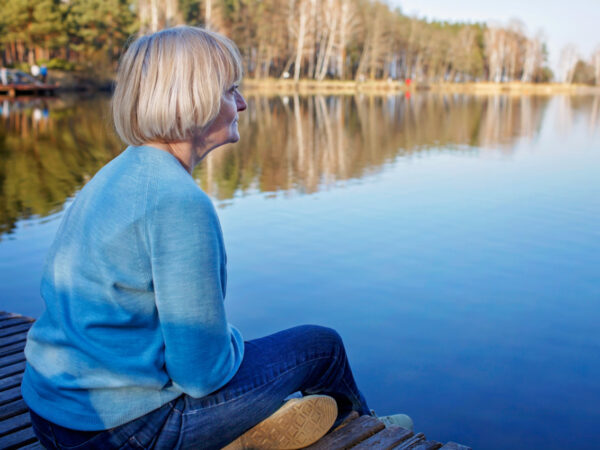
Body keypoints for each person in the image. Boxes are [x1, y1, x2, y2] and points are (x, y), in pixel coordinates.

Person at [21, 26, 385, 449]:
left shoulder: (116, 174)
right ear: (193, 98)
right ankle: (368, 431)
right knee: (321, 347)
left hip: (53, 417)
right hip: (125, 432)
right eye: (232, 90)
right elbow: (201, 373)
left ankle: (263, 428)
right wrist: (227, 337)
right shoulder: (178, 202)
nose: (243, 104)